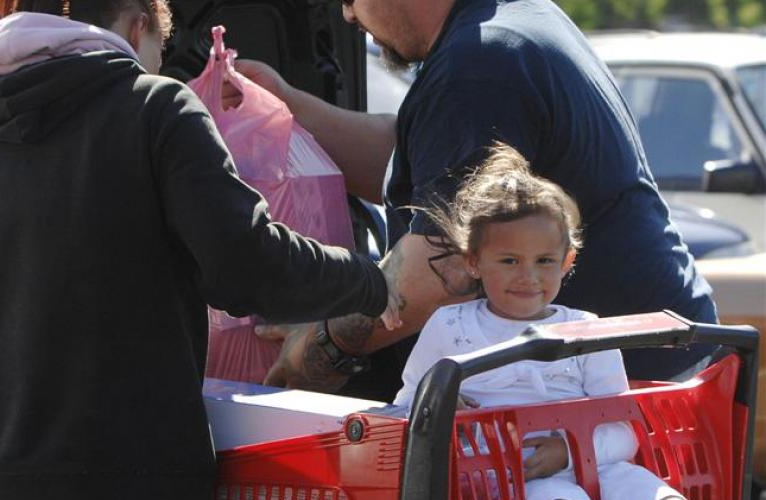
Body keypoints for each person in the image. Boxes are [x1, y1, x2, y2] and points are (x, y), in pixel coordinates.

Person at [0, 1, 399, 500]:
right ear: (135, 24)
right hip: (132, 493)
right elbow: (246, 267)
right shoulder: (154, 105)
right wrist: (371, 282)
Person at [236, 0, 717, 400]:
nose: (346, 15)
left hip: (610, 398)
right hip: (646, 371)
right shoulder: (511, 23)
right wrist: (284, 108)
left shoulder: (480, 64)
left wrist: (322, 342)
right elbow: (416, 161)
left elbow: (441, 271)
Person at [393, 143, 709, 500]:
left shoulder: (586, 327)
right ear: (473, 262)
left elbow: (622, 429)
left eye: (544, 261)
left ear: (567, 262)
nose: (528, 277)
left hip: (598, 470)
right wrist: (441, 414)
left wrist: (569, 450)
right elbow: (406, 406)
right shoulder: (450, 327)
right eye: (509, 261)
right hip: (513, 479)